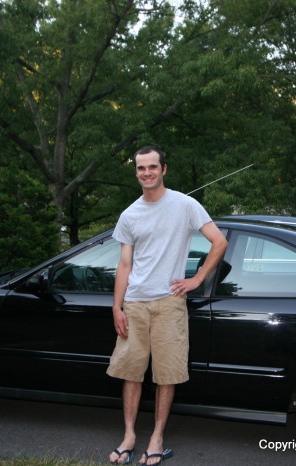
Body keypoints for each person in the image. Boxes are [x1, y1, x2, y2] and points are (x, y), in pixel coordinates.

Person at [106, 145, 228, 466]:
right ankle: (130, 435)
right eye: (140, 168)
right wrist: (117, 307)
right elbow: (124, 265)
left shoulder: (185, 205)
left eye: (152, 167)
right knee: (131, 373)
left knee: (166, 375)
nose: (146, 172)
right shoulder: (129, 214)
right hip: (134, 303)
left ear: (164, 169)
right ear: (136, 172)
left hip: (170, 303)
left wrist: (197, 278)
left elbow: (219, 241)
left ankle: (157, 437)